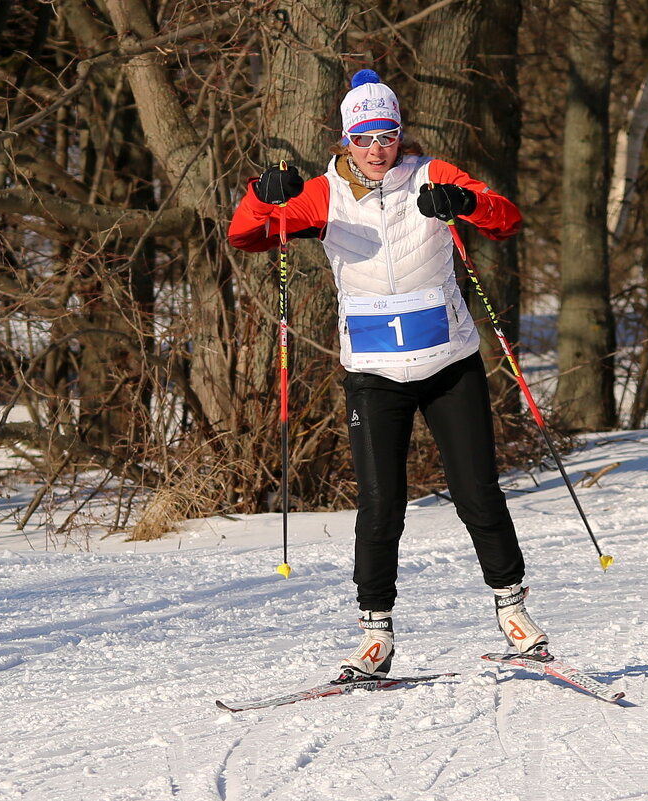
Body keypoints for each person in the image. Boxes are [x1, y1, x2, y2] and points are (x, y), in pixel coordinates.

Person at [227, 70, 548, 680]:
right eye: (366, 136)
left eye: (388, 134)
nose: (378, 147)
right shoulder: (323, 194)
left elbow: (506, 219)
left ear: (401, 135)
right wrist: (261, 194)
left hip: (449, 363)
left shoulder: (433, 175)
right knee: (380, 507)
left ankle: (514, 613)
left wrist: (468, 203)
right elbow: (248, 235)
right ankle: (376, 634)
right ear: (347, 139)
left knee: (478, 490)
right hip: (373, 372)